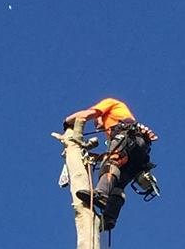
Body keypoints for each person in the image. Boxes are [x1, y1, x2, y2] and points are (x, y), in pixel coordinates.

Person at [60, 98, 157, 231]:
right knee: (118, 184)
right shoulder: (117, 126)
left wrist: (67, 122)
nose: (97, 126)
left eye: (97, 122)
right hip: (140, 151)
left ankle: (101, 194)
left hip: (128, 136)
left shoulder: (110, 103)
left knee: (111, 163)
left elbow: (86, 114)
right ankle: (109, 218)